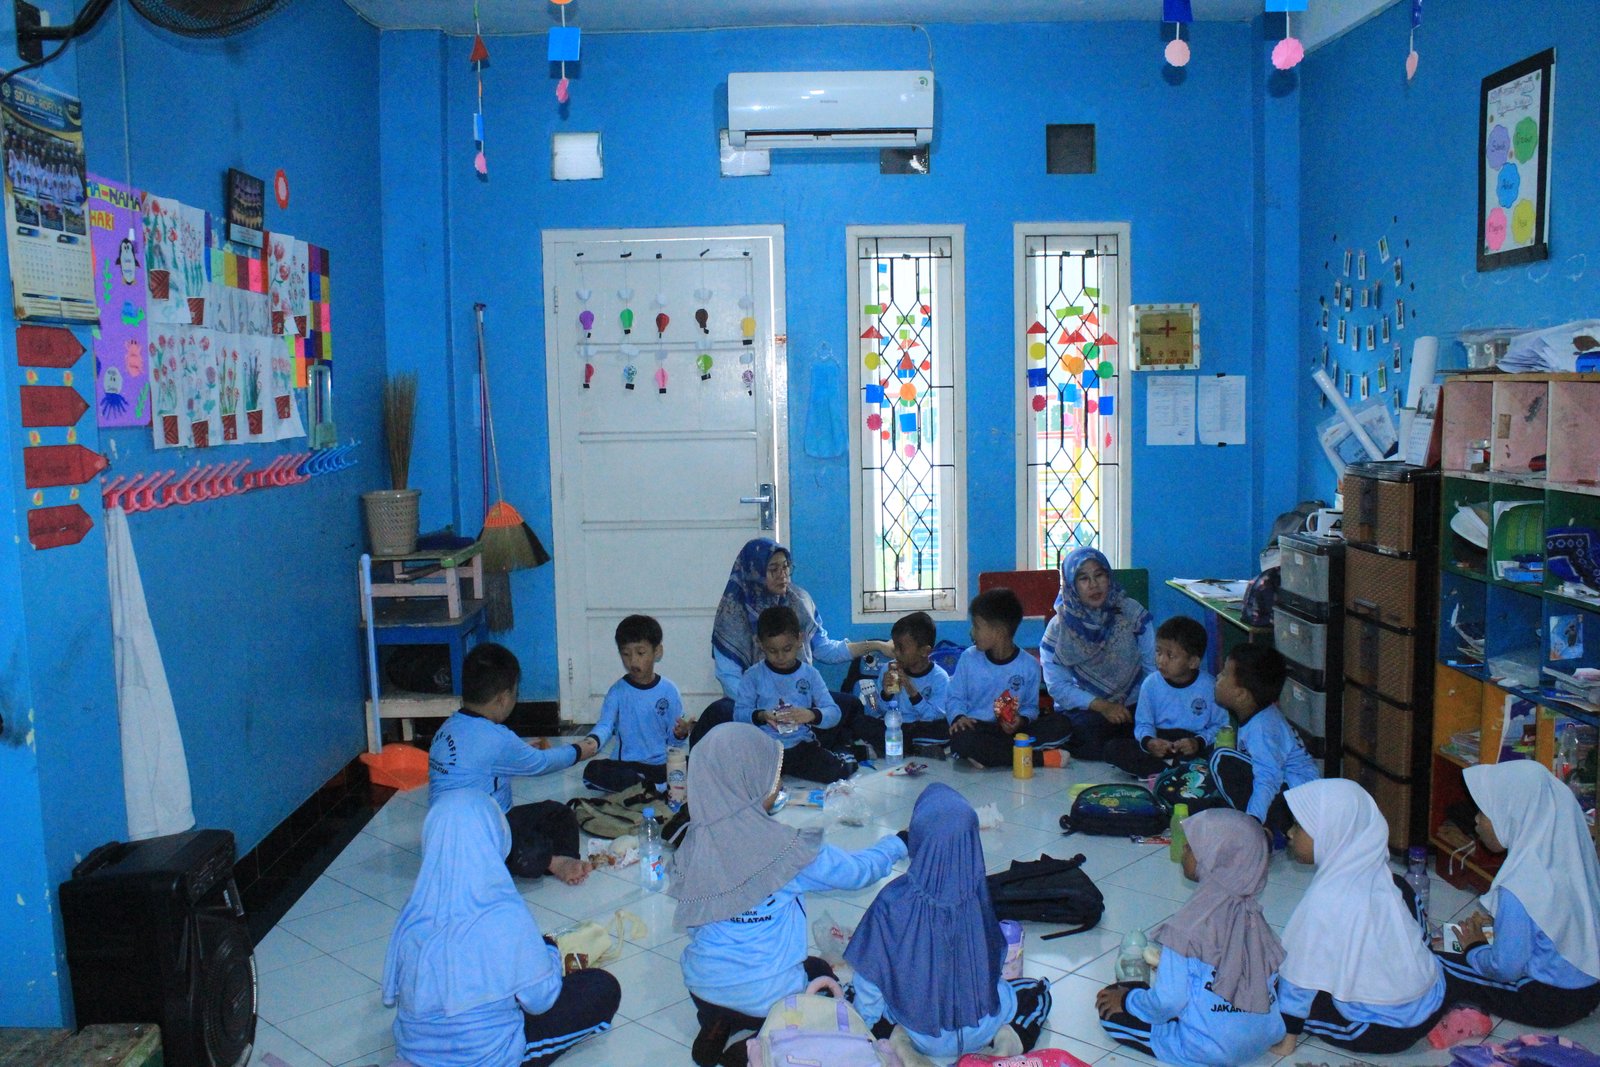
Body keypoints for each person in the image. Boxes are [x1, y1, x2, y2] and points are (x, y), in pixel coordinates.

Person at [669, 722, 906, 1067]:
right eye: (772, 776)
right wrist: (896, 844)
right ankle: (756, 1045)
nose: (779, 784)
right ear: (747, 783)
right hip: (768, 999)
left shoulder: (692, 844)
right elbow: (857, 873)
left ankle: (718, 1022)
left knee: (740, 975)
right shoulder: (787, 851)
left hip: (703, 988)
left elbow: (694, 924)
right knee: (820, 974)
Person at [382, 790, 620, 1067]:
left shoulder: (416, 908)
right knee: (601, 987)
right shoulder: (503, 911)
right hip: (486, 1056)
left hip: (416, 1051)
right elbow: (541, 1000)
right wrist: (550, 951)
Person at [846, 783, 1053, 1059]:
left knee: (853, 991)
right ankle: (1006, 1042)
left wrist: (868, 1025)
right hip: (982, 1027)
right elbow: (992, 963)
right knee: (1036, 991)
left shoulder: (891, 901)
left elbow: (869, 980)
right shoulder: (978, 895)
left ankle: (901, 1045)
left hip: (920, 1031)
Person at [1096, 808, 1287, 1066]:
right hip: (1262, 1039)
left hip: (1207, 1049)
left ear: (1214, 861)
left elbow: (1168, 1002)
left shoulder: (1187, 927)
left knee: (1112, 1010)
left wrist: (1128, 1001)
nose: (1182, 851)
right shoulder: (1254, 918)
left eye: (1190, 847)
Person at [1274, 780, 1446, 1055]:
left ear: (1332, 834)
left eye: (1299, 826)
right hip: (1430, 1004)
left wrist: (1287, 1036)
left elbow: (1299, 977)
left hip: (1379, 1029)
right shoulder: (1387, 879)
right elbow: (1420, 937)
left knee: (1275, 989)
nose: (1290, 833)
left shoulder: (1326, 899)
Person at [1435, 760, 1600, 1028]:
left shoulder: (1521, 881)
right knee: (1459, 943)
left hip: (1546, 1000)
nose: (1476, 820)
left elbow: (1504, 968)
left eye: (1485, 812)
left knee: (1438, 962)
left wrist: (1474, 947)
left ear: (1512, 815)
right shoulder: (1570, 855)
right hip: (1590, 989)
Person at [428, 643, 599, 885]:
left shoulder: (446, 729)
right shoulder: (497, 739)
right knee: (530, 842)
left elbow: (480, 761)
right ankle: (553, 861)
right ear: (503, 698)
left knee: (557, 814)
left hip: (439, 839)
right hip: (479, 837)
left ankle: (549, 859)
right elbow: (542, 763)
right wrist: (579, 750)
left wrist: (518, 752)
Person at [695, 537, 891, 746]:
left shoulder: (799, 600)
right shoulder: (733, 612)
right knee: (718, 714)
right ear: (754, 572)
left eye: (785, 567)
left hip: (799, 697)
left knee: (849, 706)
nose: (783, 575)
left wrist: (875, 645)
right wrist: (764, 708)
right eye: (773, 569)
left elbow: (824, 649)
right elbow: (728, 677)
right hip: (755, 704)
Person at [1040, 548, 1156, 761]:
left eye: (1099, 575)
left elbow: (1152, 668)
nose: (1093, 585)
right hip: (1087, 708)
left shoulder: (1131, 613)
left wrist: (1144, 704)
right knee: (1087, 734)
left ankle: (1127, 743)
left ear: (1108, 577)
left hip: (1133, 701)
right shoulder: (1060, 628)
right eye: (1083, 578)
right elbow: (1058, 687)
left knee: (1161, 724)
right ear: (1072, 585)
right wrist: (1103, 706)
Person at [732, 605, 855, 784]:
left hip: (800, 745)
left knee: (837, 772)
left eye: (787, 649)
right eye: (772, 651)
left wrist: (811, 715)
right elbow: (739, 714)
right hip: (765, 747)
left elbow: (834, 712)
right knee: (742, 779)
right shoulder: (753, 675)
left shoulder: (810, 674)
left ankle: (847, 752)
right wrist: (762, 715)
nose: (780, 656)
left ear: (800, 639)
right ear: (760, 644)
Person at [1208, 644, 1316, 841]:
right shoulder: (1259, 716)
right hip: (1288, 794)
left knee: (1221, 760)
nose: (1217, 677)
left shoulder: (1262, 727)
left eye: (1223, 674)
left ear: (1241, 694)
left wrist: (1253, 820)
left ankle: (1272, 829)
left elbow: (1268, 778)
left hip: (1296, 803)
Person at [947, 588, 1066, 768]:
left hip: (1013, 733)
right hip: (977, 728)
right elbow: (954, 697)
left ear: (999, 632)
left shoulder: (1029, 665)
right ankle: (1037, 758)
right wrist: (959, 717)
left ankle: (989, 755)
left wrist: (1020, 720)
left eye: (977, 626)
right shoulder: (968, 658)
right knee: (961, 737)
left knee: (1062, 724)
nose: (972, 633)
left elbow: (1030, 708)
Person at [1103, 615, 1227, 778]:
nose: (1161, 660)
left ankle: (1172, 769)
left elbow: (1221, 726)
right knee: (1113, 748)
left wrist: (1199, 742)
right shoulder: (1150, 684)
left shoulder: (1210, 686)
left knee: (1222, 756)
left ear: (1193, 662)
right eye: (1158, 652)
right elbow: (1143, 723)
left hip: (1194, 743)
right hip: (1162, 741)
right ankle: (1178, 770)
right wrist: (1149, 742)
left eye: (1171, 656)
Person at [580, 614, 689, 794]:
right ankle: (655, 788)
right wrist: (593, 740)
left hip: (660, 765)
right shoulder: (617, 691)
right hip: (627, 766)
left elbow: (673, 741)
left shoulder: (669, 691)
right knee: (593, 771)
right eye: (626, 654)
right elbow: (605, 725)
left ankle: (648, 788)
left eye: (640, 653)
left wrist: (681, 733)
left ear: (657, 652)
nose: (633, 661)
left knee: (695, 763)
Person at [851, 610, 951, 758]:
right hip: (896, 726)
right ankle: (914, 749)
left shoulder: (939, 677)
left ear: (924, 651)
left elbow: (935, 715)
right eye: (895, 647)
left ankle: (894, 747)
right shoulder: (888, 669)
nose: (896, 653)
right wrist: (886, 694)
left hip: (922, 727)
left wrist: (912, 692)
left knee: (945, 728)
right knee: (860, 722)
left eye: (901, 648)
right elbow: (882, 711)